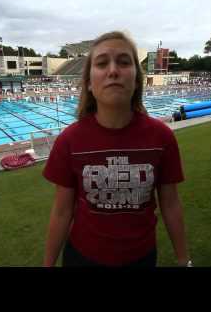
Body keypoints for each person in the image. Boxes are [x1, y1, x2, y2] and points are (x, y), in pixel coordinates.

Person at [42, 31, 190, 267]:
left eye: (123, 62)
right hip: (82, 258)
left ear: (137, 79)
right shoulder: (69, 141)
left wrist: (184, 261)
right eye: (102, 63)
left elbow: (170, 204)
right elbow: (61, 212)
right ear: (89, 83)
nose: (113, 71)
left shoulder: (161, 137)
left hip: (140, 258)